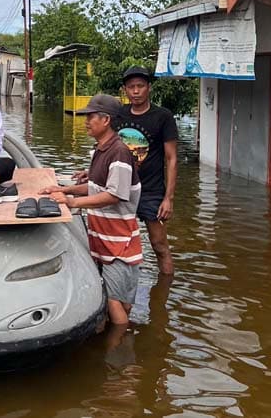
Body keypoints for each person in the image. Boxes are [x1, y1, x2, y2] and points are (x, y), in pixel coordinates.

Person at [41, 94, 142, 325]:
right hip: (104, 239)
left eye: (90, 117)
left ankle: (121, 350)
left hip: (119, 243)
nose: (86, 122)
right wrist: (65, 190)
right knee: (116, 300)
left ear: (106, 120)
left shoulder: (119, 153)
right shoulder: (101, 149)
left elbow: (115, 194)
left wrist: (73, 203)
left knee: (116, 303)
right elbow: (96, 187)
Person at [116, 66, 177, 276]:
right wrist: (92, 172)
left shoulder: (163, 117)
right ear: (125, 90)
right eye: (131, 87)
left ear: (148, 88)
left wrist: (168, 198)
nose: (135, 91)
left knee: (159, 245)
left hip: (151, 191)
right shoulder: (119, 114)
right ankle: (119, 287)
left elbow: (172, 158)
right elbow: (107, 150)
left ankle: (164, 295)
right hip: (121, 190)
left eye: (140, 86)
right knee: (118, 243)